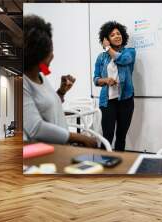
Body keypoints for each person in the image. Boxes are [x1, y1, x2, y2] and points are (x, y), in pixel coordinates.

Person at [23, 15, 96, 147]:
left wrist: (62, 92)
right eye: (50, 50)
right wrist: (79, 138)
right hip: (44, 156)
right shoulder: (24, 83)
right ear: (38, 55)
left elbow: (47, 105)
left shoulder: (41, 75)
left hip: (60, 149)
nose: (53, 55)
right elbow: (35, 128)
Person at [93, 21, 136, 151]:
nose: (117, 36)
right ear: (106, 39)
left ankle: (119, 166)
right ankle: (103, 164)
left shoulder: (130, 52)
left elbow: (122, 60)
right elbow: (95, 79)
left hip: (126, 100)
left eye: (119, 33)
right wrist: (105, 80)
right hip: (107, 102)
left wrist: (108, 48)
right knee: (107, 136)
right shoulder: (101, 58)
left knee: (121, 136)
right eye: (112, 35)